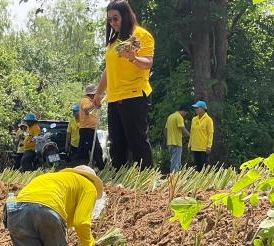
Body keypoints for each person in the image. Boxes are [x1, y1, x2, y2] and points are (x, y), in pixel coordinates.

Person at [93, 0, 155, 170]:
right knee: (117, 144)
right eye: (109, 20)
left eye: (115, 18)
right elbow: (109, 69)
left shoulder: (140, 35)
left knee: (137, 141)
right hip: (114, 97)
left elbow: (148, 63)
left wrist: (133, 58)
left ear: (126, 16)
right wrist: (98, 93)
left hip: (134, 94)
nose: (112, 23)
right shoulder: (113, 42)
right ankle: (119, 184)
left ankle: (147, 179)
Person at [74, 84, 105, 170]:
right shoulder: (85, 100)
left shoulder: (91, 101)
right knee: (83, 150)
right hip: (86, 129)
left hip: (91, 130)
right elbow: (86, 109)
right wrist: (94, 104)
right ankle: (78, 167)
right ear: (91, 94)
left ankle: (100, 167)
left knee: (97, 149)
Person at [189, 101, 214, 171]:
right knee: (198, 166)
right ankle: (199, 181)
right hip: (195, 147)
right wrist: (189, 144)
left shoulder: (208, 120)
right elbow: (192, 132)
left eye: (197, 108)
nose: (196, 109)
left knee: (205, 166)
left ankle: (207, 180)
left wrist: (209, 146)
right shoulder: (194, 119)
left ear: (203, 109)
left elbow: (210, 133)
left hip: (203, 148)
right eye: (195, 108)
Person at [164, 105, 189, 172]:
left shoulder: (170, 116)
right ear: (184, 111)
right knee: (176, 163)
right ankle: (174, 179)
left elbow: (165, 130)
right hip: (177, 143)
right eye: (186, 113)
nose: (185, 115)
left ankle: (175, 178)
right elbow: (182, 128)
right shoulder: (179, 117)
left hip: (170, 143)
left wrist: (168, 140)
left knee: (174, 161)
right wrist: (189, 135)